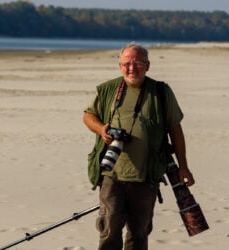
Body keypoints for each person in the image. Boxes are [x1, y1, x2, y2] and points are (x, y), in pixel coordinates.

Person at [83, 42, 195, 250]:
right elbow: (88, 115)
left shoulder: (161, 92)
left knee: (139, 233)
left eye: (137, 63)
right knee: (109, 229)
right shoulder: (108, 90)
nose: (132, 68)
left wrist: (183, 166)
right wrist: (101, 129)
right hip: (112, 175)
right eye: (127, 63)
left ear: (148, 65)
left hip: (146, 177)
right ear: (120, 66)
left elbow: (175, 130)